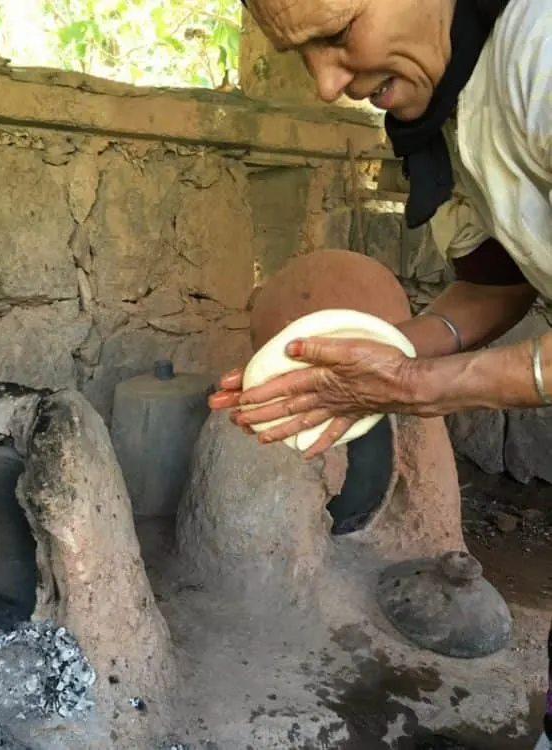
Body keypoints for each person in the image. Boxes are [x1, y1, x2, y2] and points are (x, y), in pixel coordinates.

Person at [208, 0, 552, 743]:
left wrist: (419, 387)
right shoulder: (449, 105)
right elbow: (497, 286)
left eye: (335, 36)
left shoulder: (542, 52)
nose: (327, 85)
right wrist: (377, 346)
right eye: (304, 53)